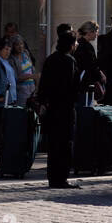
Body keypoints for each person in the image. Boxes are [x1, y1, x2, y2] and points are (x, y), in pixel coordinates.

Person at [37, 25, 83, 189]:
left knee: (54, 145)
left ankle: (53, 177)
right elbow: (74, 86)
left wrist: (42, 102)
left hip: (52, 108)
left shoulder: (51, 59)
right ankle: (61, 177)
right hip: (65, 108)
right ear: (71, 45)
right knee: (65, 144)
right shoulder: (70, 61)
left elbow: (43, 86)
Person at [75, 20, 105, 105]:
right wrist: (100, 76)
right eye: (96, 32)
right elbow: (91, 65)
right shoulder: (86, 46)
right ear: (89, 32)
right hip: (85, 85)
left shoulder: (80, 44)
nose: (97, 35)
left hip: (82, 84)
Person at [10, 34, 37, 108]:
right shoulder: (11, 59)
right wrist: (31, 76)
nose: (20, 46)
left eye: (21, 43)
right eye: (17, 44)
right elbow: (15, 78)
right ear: (13, 46)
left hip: (32, 89)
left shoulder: (26, 53)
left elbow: (32, 69)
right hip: (21, 91)